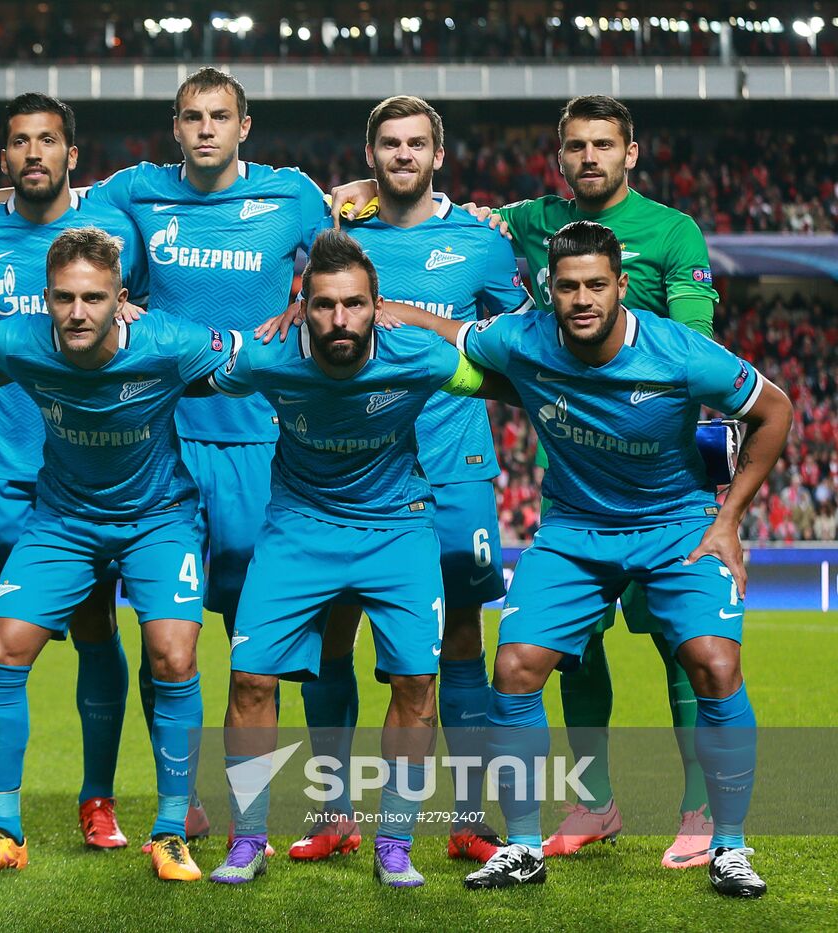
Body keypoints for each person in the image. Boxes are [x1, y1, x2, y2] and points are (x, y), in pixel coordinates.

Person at [333, 95, 723, 867]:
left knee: (686, 644)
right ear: (559, 155)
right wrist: (355, 191)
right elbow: (427, 195)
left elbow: (695, 345)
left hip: (662, 477)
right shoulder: (523, 223)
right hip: (576, 472)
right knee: (572, 645)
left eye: (604, 145)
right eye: (575, 145)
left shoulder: (673, 233)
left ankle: (700, 807)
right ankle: (594, 802)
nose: (589, 158)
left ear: (631, 153)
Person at [393, 221, 788, 898]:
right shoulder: (523, 335)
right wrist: (379, 307)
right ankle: (521, 845)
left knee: (715, 662)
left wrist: (728, 521)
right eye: (568, 285)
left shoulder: (678, 352)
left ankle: (730, 845)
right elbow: (449, 331)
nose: (581, 298)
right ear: (550, 288)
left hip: (675, 527)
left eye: (595, 285)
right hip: (574, 529)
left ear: (620, 286)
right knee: (514, 667)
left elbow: (774, 409)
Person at [206, 228, 517, 887]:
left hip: (396, 527)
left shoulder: (419, 356)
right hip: (297, 527)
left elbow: (501, 380)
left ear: (378, 305)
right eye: (322, 305)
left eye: (352, 304)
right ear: (303, 303)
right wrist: (126, 324)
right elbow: (192, 369)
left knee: (415, 683)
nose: (338, 319)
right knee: (251, 679)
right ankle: (248, 840)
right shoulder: (267, 355)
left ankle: (394, 845)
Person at [0, 228, 233, 882]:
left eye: (93, 298)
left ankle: (170, 831)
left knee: (174, 653)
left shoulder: (167, 341)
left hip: (159, 517)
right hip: (65, 519)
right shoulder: (18, 339)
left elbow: (252, 354)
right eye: (65, 298)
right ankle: (6, 831)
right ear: (45, 298)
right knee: (0, 646)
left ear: (120, 298)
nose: (77, 312)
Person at [292, 95, 532, 866]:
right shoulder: (336, 234)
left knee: (460, 633)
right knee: (335, 626)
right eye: (389, 143)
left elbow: (520, 342)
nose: (402, 155)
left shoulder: (481, 243)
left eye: (416, 143)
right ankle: (334, 811)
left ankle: (464, 815)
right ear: (371, 154)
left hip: (452, 463)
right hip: (347, 469)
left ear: (438, 156)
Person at [0, 92, 147, 849]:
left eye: (48, 140)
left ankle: (98, 798)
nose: (34, 153)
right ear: (4, 160)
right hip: (0, 474)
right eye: (20, 142)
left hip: (91, 475)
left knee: (97, 626)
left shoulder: (114, 229)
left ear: (71, 153)